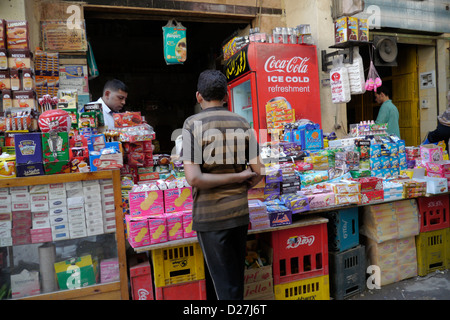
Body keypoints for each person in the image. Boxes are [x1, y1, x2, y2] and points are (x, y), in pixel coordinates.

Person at [179, 70, 264, 300]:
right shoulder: (242, 122)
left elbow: (194, 178)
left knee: (223, 287)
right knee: (234, 281)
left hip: (211, 218)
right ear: (226, 96)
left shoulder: (191, 124)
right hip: (238, 213)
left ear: (199, 97)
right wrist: (240, 183)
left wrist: (235, 179)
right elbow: (258, 171)